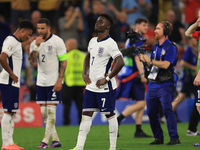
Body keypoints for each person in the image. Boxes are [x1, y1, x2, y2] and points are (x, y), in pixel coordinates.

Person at [70, 13, 124, 150]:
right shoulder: (93, 41)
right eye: (97, 21)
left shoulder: (111, 43)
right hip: (91, 86)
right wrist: (84, 72)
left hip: (105, 87)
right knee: (86, 115)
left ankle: (113, 148)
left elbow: (120, 61)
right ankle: (79, 147)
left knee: (110, 115)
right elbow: (88, 56)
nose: (97, 23)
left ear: (108, 26)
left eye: (101, 22)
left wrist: (107, 78)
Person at [139, 21, 180, 145]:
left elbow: (166, 64)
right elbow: (153, 65)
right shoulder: (156, 47)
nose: (155, 31)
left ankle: (174, 138)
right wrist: (144, 61)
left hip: (165, 83)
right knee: (151, 111)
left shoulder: (171, 47)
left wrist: (150, 61)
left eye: (158, 28)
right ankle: (158, 137)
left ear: (166, 31)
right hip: (153, 83)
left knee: (167, 110)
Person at [28, 18, 67, 149]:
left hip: (53, 82)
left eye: (42, 28)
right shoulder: (35, 42)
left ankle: (44, 141)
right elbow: (31, 61)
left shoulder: (57, 41)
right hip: (41, 82)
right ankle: (55, 140)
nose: (40, 31)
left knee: (50, 112)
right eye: (38, 28)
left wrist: (59, 80)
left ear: (49, 28)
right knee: (45, 113)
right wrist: (36, 46)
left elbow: (63, 62)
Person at [0, 20, 34, 150]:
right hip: (8, 81)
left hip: (13, 83)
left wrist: (29, 42)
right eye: (29, 34)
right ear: (23, 30)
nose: (28, 37)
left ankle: (10, 143)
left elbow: (17, 47)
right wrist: (12, 74)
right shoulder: (10, 41)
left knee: (12, 113)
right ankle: (5, 144)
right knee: (8, 112)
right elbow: (2, 57)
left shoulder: (15, 43)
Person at [116, 18, 152, 138]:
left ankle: (138, 130)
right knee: (141, 103)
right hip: (134, 74)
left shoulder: (131, 38)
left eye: (147, 24)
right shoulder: (137, 39)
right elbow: (137, 57)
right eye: (143, 24)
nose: (146, 27)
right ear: (137, 25)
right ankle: (117, 120)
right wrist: (142, 74)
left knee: (140, 101)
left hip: (128, 73)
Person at [185, 13, 200, 147]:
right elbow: (188, 33)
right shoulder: (199, 34)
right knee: (199, 106)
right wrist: (196, 23)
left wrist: (199, 74)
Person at [62, 38, 85, 125]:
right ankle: (81, 122)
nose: (65, 47)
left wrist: (62, 82)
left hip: (69, 83)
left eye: (66, 45)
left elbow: (63, 70)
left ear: (71, 46)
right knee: (80, 105)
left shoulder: (66, 56)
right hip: (80, 83)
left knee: (67, 104)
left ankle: (66, 122)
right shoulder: (83, 55)